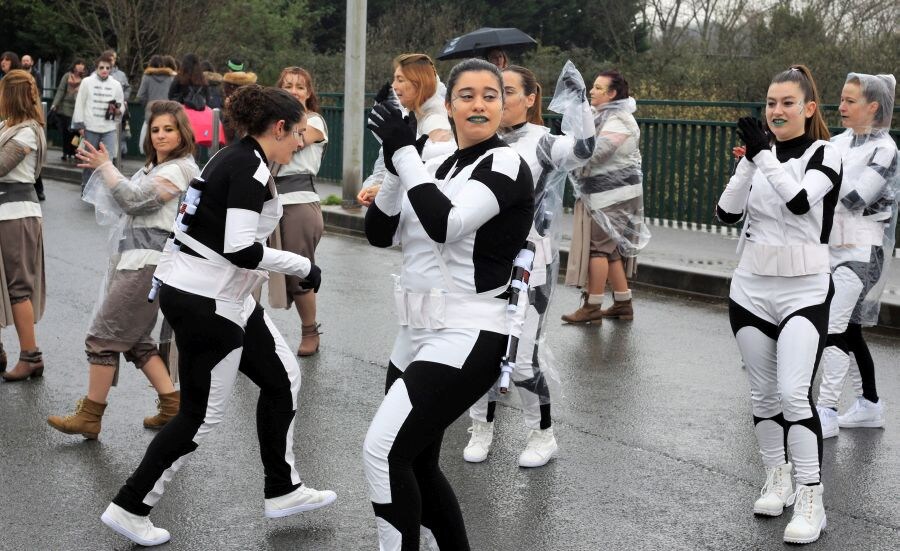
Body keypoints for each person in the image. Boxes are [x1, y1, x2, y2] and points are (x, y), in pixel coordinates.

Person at [100, 85, 335, 547]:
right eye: (299, 134)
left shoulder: (241, 157)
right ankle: (130, 507)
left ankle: (283, 490)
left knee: (282, 378)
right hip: (207, 300)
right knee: (199, 415)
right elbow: (241, 249)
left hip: (220, 295)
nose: (302, 143)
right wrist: (303, 266)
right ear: (279, 127)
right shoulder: (246, 166)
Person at [362, 58, 534, 550]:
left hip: (469, 330)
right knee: (415, 459)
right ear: (449, 102)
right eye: (467, 95)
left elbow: (447, 223)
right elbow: (378, 232)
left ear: (504, 105)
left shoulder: (505, 163)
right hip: (413, 332)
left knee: (383, 452)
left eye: (490, 95)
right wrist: (396, 159)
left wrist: (404, 156)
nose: (478, 104)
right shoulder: (431, 160)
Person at [716, 65, 841, 544]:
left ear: (809, 109)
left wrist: (763, 157)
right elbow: (726, 212)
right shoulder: (758, 157)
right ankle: (777, 477)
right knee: (764, 395)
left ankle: (812, 498)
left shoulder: (825, 153)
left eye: (787, 103)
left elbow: (800, 202)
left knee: (793, 394)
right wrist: (748, 162)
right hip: (751, 288)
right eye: (770, 103)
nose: (777, 111)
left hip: (804, 290)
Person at [463, 63, 595, 467]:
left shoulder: (541, 142)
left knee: (520, 357)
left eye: (507, 91)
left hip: (529, 262)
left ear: (530, 98)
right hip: (479, 259)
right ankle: (481, 427)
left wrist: (579, 105)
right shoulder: (476, 138)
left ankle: (542, 434)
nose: (498, 100)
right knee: (477, 349)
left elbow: (583, 150)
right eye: (493, 92)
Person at [47, 101, 200, 439]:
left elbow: (134, 201)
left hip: (148, 262)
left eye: (168, 129)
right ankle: (173, 405)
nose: (160, 135)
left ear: (182, 133)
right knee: (134, 340)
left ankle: (90, 415)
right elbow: (125, 201)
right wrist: (108, 169)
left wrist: (106, 167)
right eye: (156, 129)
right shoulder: (154, 168)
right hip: (137, 258)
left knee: (102, 337)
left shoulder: (179, 169)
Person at [815, 73, 898, 437]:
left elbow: (855, 199)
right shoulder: (838, 141)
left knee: (834, 324)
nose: (842, 106)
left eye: (850, 100)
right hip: (834, 242)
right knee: (848, 327)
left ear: (873, 106)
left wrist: (826, 169)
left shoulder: (886, 149)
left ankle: (826, 410)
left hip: (864, 244)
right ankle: (869, 404)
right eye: (842, 99)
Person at [562, 70, 648, 324]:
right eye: (593, 86)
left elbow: (596, 153)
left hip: (613, 195)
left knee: (597, 249)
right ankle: (623, 304)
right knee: (610, 251)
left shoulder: (619, 120)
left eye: (598, 88)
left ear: (612, 94)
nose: (591, 91)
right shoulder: (607, 115)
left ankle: (592, 306)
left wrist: (570, 151)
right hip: (612, 193)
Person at [271, 67, 328, 356]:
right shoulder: (272, 123)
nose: (294, 91)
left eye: (300, 87)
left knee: (298, 271)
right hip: (268, 201)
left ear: (309, 93)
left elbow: (298, 139)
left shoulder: (314, 120)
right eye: (288, 86)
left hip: (299, 202)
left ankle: (310, 331)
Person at [357, 53, 454, 205]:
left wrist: (385, 191)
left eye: (400, 80)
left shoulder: (435, 123)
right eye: (395, 79)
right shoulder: (413, 116)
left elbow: (432, 182)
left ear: (419, 83)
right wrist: (376, 189)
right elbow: (390, 159)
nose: (394, 86)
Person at [0, 70, 47, 381]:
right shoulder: (7, 126)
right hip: (7, 213)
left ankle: (30, 356)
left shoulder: (28, 132)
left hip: (16, 214)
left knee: (18, 287)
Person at [71, 53, 124, 189]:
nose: (104, 70)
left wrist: (119, 110)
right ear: (96, 68)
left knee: (108, 159)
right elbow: (80, 103)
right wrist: (79, 125)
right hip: (91, 127)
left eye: (107, 67)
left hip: (109, 127)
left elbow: (120, 104)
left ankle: (106, 187)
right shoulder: (87, 82)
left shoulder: (116, 84)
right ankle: (87, 185)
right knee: (90, 160)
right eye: (101, 67)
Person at [136, 55, 176, 154]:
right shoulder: (171, 77)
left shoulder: (147, 76)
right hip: (168, 110)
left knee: (150, 135)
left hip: (151, 110)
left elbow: (141, 96)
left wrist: (147, 105)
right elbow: (174, 95)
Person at [50, 59, 86, 162]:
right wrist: (55, 104)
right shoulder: (67, 76)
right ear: (74, 66)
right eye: (78, 64)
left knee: (77, 133)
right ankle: (65, 152)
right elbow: (61, 90)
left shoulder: (85, 79)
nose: (80, 66)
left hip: (78, 108)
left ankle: (75, 151)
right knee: (66, 132)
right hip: (65, 107)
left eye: (82, 64)